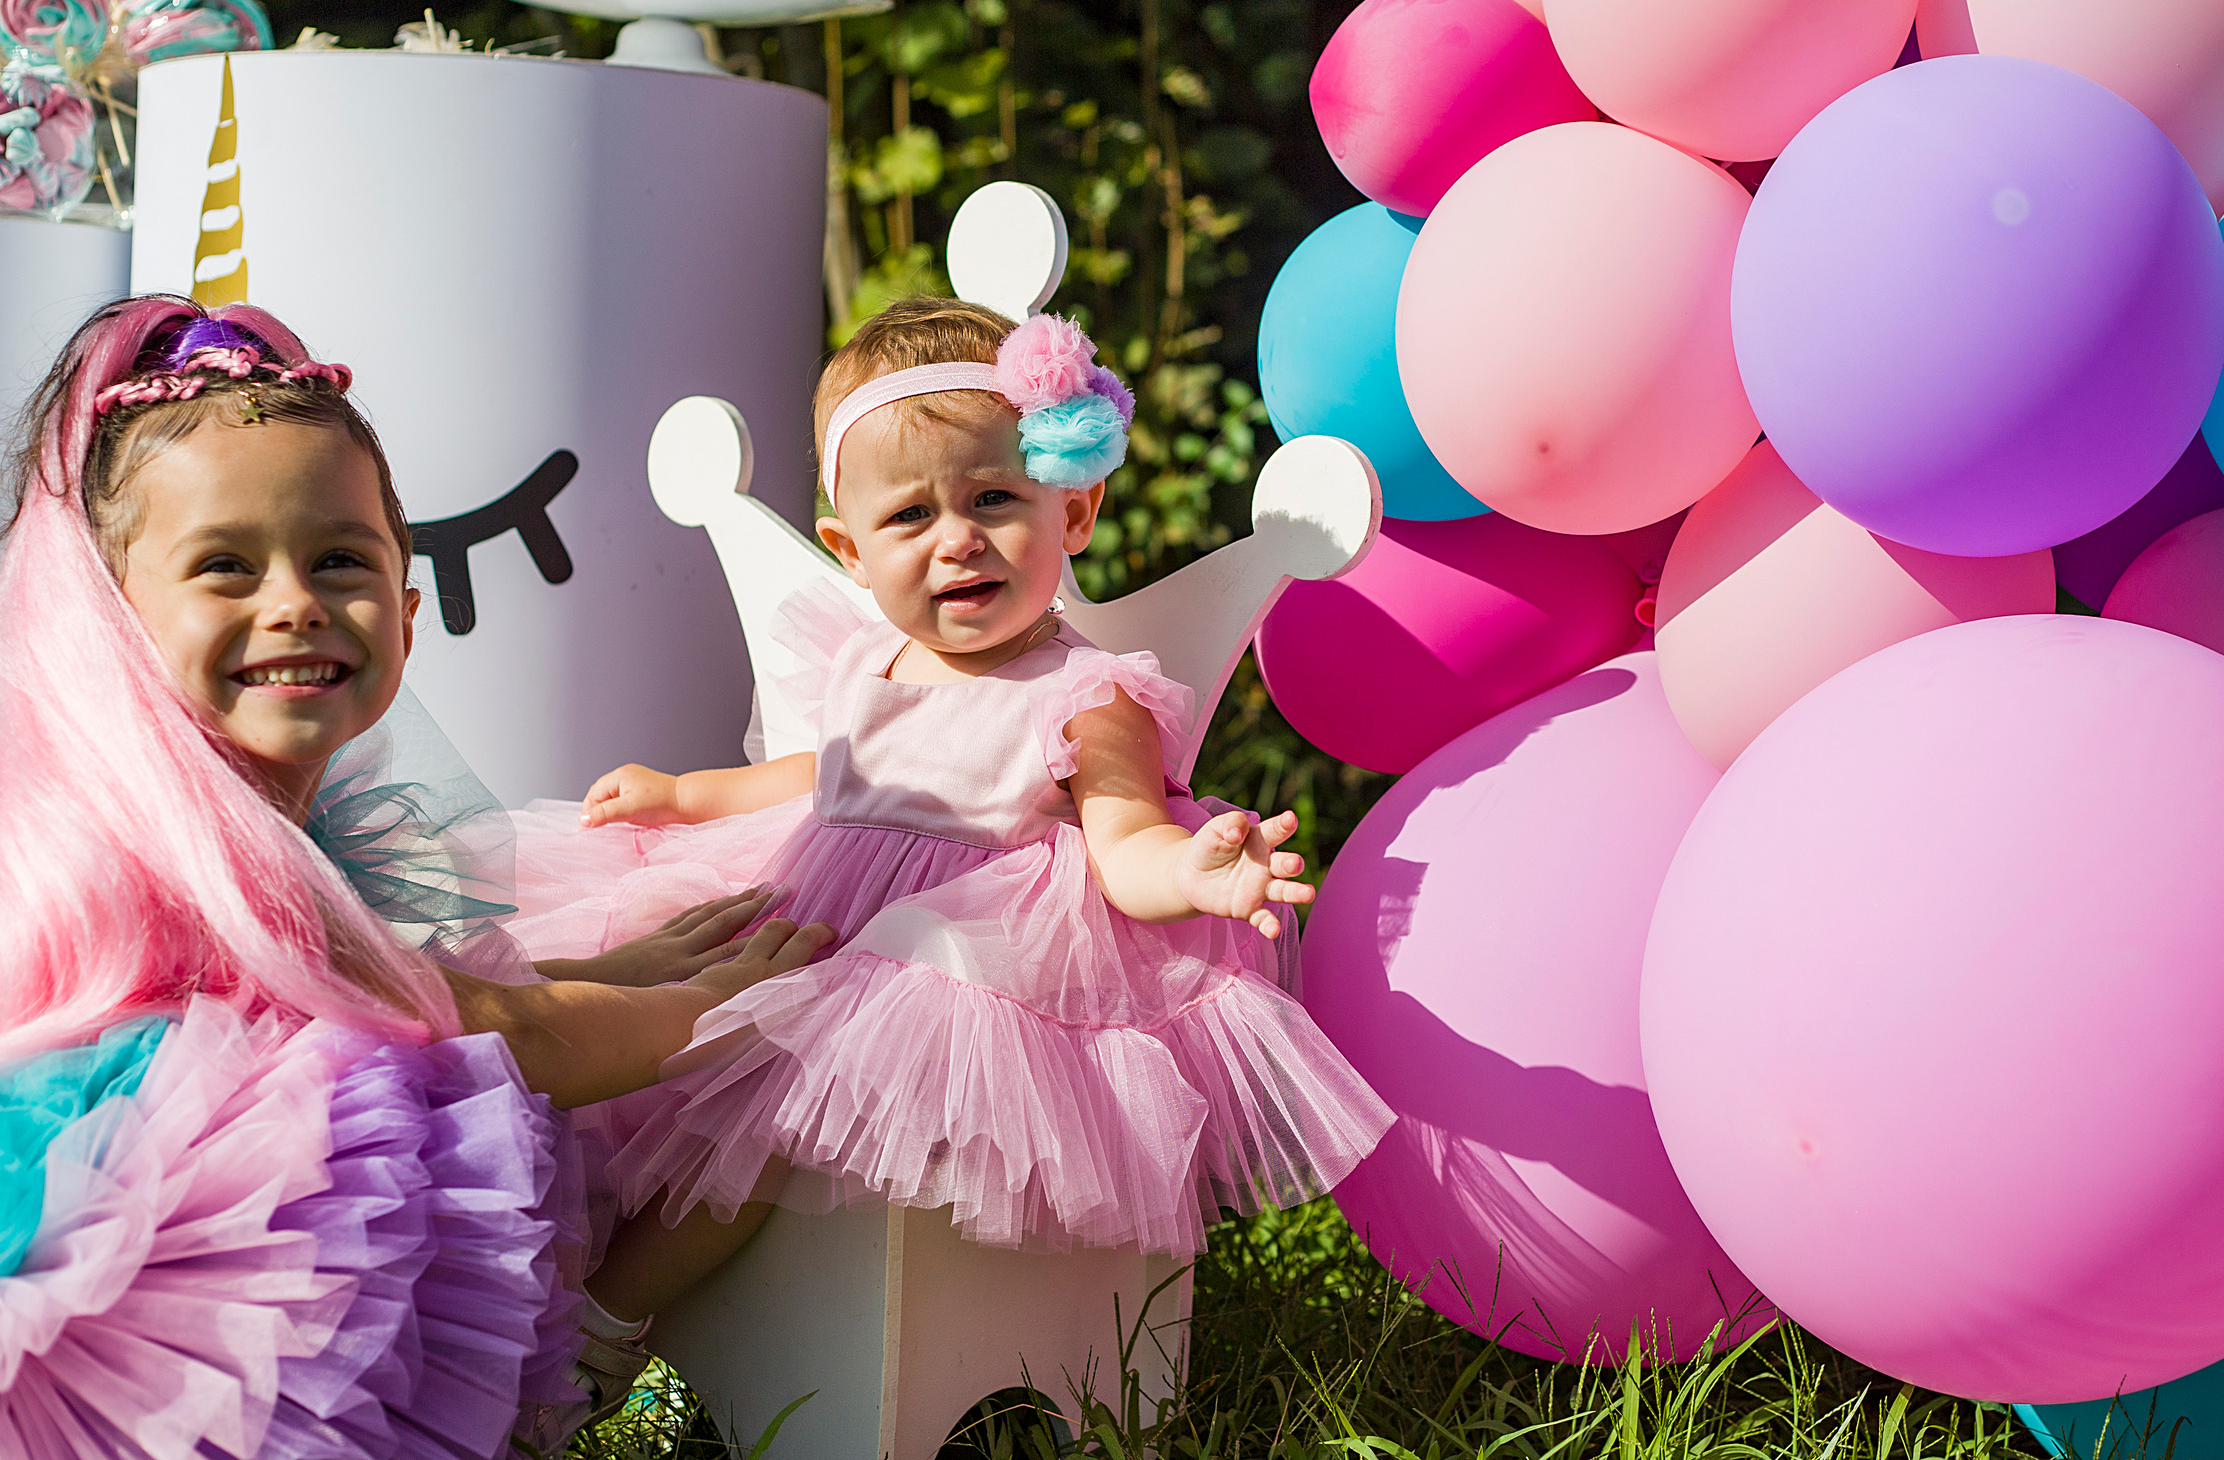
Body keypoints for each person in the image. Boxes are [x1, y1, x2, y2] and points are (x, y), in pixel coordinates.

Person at [0, 295, 832, 1457]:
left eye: (337, 559)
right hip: (163, 1330)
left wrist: (610, 969)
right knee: (397, 1089)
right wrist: (705, 1011)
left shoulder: (232, 809)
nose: (292, 601)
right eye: (225, 568)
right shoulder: (177, 839)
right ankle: (576, 1364)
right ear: (118, 626)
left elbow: (387, 976)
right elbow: (480, 1024)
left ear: (406, 608)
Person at [507, 297, 1394, 1383]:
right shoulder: (866, 662)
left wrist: (1191, 872)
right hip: (809, 919)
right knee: (636, 1027)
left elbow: (1122, 840)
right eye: (910, 519)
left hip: (955, 970)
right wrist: (686, 797)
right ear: (851, 549)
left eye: (993, 499)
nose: (957, 539)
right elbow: (828, 782)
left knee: (749, 1129)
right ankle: (573, 1292)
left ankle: (597, 1344)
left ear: (1070, 513)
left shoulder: (1083, 694)